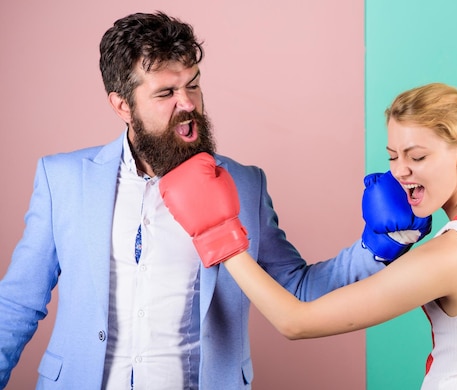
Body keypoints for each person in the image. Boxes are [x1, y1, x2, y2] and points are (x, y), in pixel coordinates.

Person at [0, 12, 433, 390]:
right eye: (165, 94)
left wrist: (379, 246)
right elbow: (18, 304)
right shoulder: (63, 179)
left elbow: (298, 289)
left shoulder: (245, 184)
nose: (187, 104)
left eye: (193, 85)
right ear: (122, 106)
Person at [170, 83, 457, 389]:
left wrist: (221, 237)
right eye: (392, 156)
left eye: (417, 156)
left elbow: (295, 321)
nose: (399, 172)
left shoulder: (452, 255)